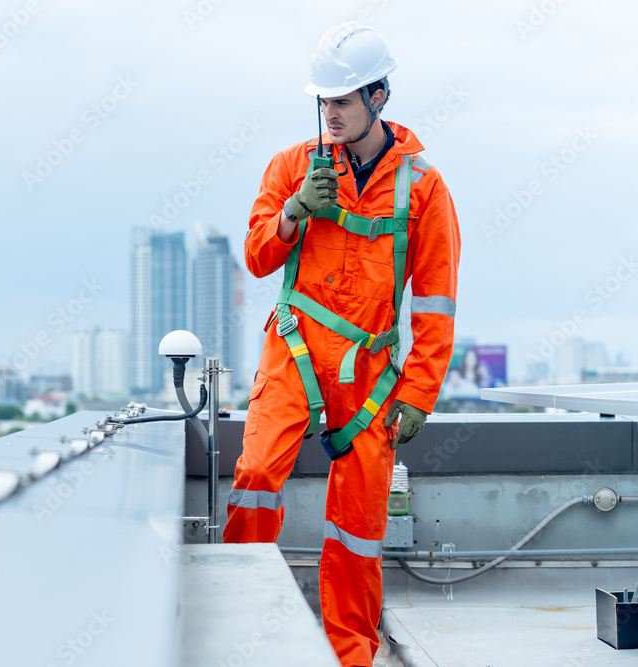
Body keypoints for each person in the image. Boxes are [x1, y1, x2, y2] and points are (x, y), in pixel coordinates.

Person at [223, 21, 461, 667]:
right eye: (323, 101)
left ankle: (350, 654)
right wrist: (293, 211)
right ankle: (236, 627)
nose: (330, 112)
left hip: (368, 371)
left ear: (379, 97)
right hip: (295, 348)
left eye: (343, 100)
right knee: (254, 479)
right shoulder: (292, 167)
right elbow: (254, 254)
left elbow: (436, 304)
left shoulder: (424, 188)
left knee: (356, 524)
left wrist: (418, 393)